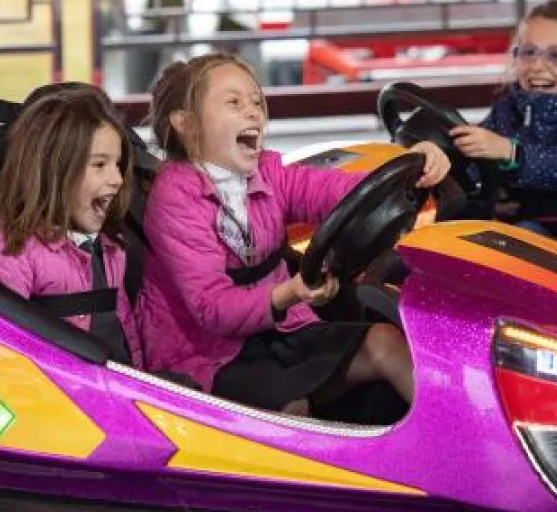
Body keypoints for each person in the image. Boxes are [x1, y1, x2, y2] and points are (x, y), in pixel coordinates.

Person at [137, 53, 450, 416]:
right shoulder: (175, 197)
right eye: (234, 103)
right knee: (290, 408)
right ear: (186, 124)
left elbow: (335, 190)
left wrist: (412, 167)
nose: (252, 112)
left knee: (386, 343)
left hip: (280, 329)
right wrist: (290, 293)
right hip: (207, 353)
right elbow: (212, 308)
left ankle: (462, 440)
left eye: (256, 102)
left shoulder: (268, 172)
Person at [0, 87, 142, 367]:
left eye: (118, 165)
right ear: (54, 170)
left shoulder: (110, 247)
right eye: (99, 165)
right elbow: (0, 356)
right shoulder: (7, 254)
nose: (117, 179)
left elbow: (122, 331)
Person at [450, 0, 557, 236]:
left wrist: (511, 153)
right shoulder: (509, 104)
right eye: (528, 52)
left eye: (556, 56)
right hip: (513, 214)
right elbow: (479, 158)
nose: (537, 66)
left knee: (522, 234)